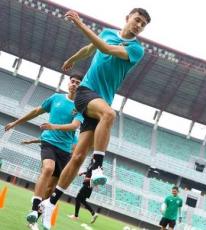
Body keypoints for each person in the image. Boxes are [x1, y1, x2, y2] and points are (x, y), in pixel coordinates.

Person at [40, 7, 151, 230]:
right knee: (109, 114)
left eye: (143, 24)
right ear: (127, 18)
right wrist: (73, 58)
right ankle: (98, 166)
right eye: (137, 20)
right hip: (86, 93)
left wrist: (80, 24)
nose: (139, 25)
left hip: (100, 100)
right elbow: (90, 48)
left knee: (78, 156)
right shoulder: (107, 32)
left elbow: (105, 49)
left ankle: (50, 203)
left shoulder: (136, 50)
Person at [4, 75, 83, 229]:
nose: (74, 84)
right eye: (72, 81)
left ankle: (33, 220)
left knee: (50, 189)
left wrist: (54, 126)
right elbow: (36, 111)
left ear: (80, 87)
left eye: (78, 83)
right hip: (49, 142)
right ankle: (34, 209)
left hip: (65, 150)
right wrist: (16, 122)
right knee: (47, 168)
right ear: (69, 83)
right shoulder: (56, 98)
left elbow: (74, 126)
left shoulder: (80, 107)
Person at [68, 158, 98, 224]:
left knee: (78, 198)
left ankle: (76, 216)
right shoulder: (92, 163)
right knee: (82, 200)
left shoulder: (96, 165)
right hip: (87, 186)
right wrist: (83, 173)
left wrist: (88, 179)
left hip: (87, 186)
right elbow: (88, 172)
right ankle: (93, 213)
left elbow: (96, 177)